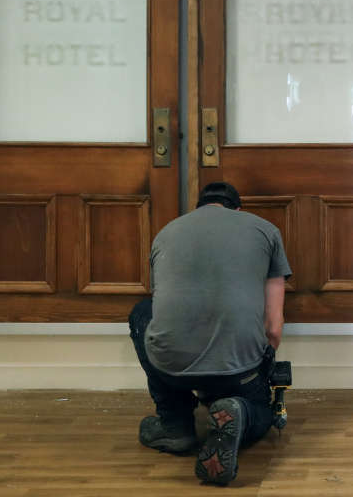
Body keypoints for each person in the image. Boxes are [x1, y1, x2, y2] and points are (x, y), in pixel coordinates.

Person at [128, 181, 291, 486]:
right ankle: (239, 410)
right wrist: (255, 372)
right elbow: (273, 328)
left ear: (200, 207)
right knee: (260, 412)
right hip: (237, 372)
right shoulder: (265, 230)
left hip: (172, 368)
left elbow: (167, 308)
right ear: (237, 210)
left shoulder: (167, 232)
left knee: (142, 313)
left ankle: (175, 426)